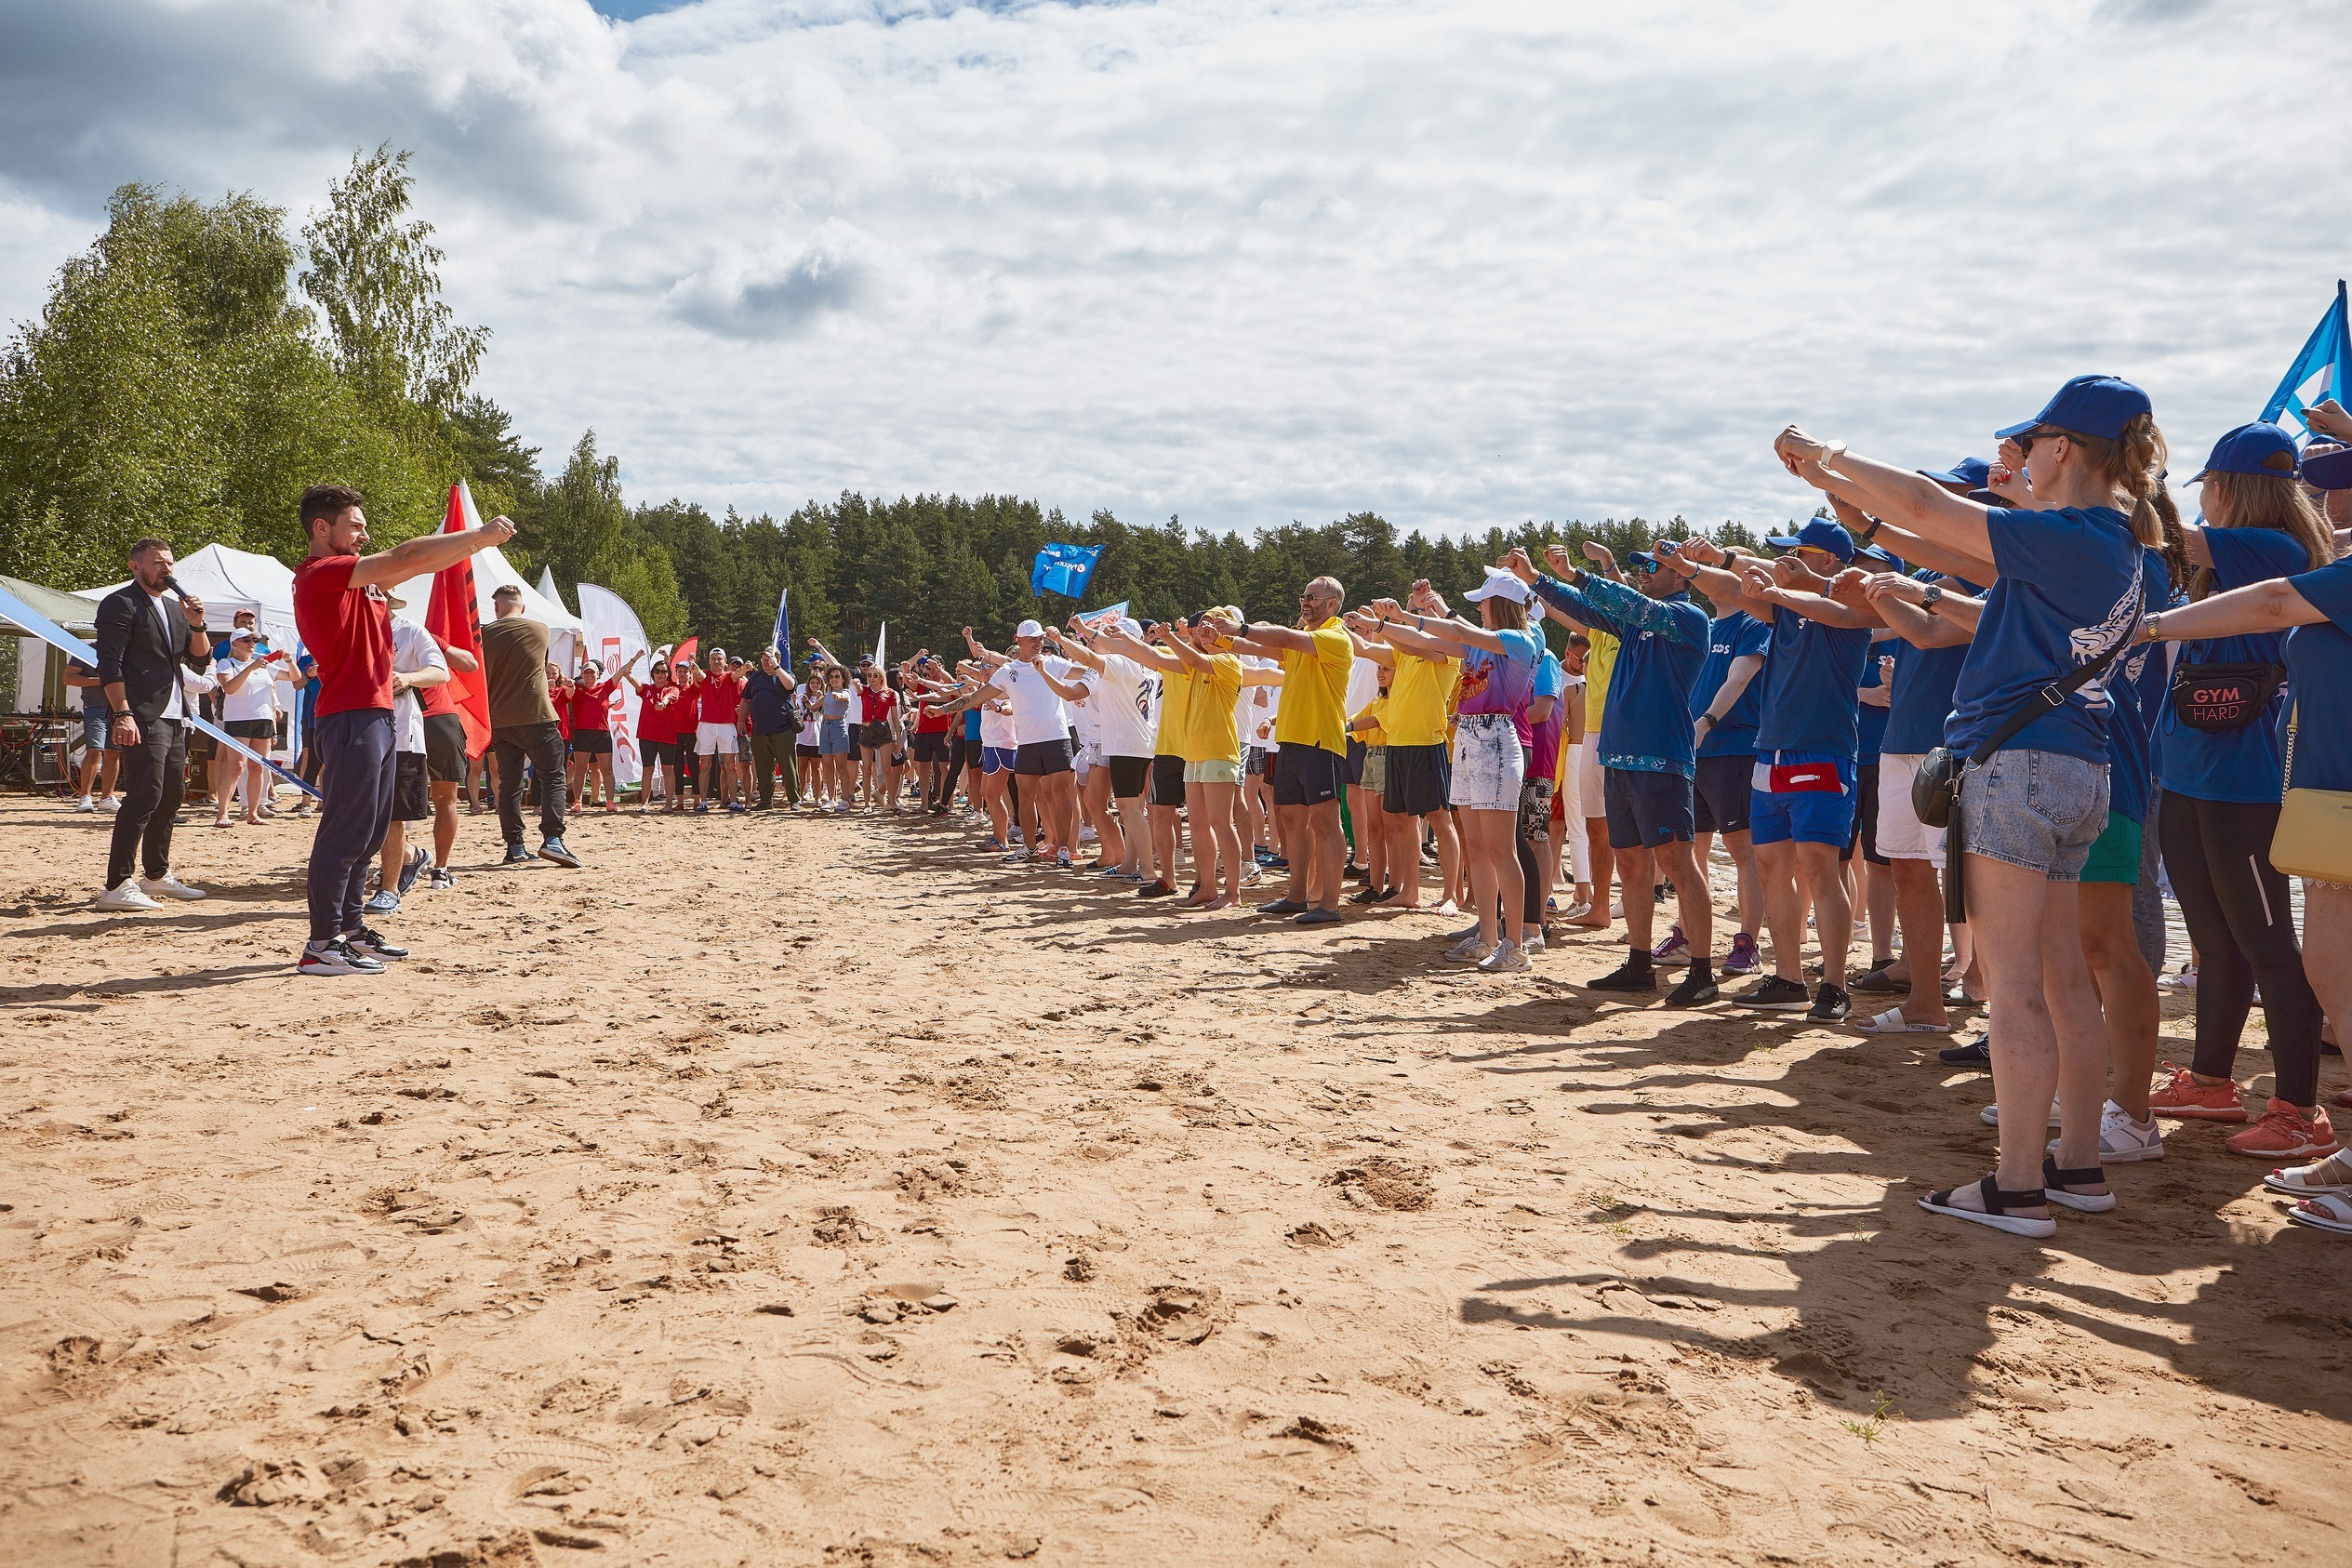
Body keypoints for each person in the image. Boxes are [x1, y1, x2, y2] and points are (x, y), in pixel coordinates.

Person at [1776, 373, 2161, 1237]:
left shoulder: (2077, 534)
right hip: (2074, 768)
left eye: (2033, 442)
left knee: (2016, 986)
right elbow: (1944, 547)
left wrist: (1826, 453)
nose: (2020, 456)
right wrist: (1850, 505)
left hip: (2020, 766)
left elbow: (1930, 505)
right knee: (2062, 979)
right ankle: (2075, 1167)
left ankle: (2018, 1185)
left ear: (2063, 449)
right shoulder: (2110, 540)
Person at [2138, 449, 2352, 1221]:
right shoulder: (2236, 554)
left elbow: (2167, 538)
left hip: (2247, 781)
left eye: (2209, 491)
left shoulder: (2272, 548)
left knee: (2268, 946)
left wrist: (2132, 473)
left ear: (2228, 489)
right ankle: (2211, 1080)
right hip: (2194, 768)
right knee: (2215, 939)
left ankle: (2297, 1107)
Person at [292, 485, 516, 974]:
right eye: (355, 524)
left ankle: (349, 930)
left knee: (373, 830)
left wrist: (469, 546)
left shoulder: (357, 582)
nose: (364, 533)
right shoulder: (321, 573)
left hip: (377, 713)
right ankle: (321, 943)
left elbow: (413, 566)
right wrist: (477, 537)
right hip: (351, 713)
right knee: (345, 831)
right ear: (321, 529)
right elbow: (409, 556)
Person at [1669, 524, 1878, 1021]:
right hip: (1772, 754)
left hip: (1821, 753)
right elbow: (1752, 589)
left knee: (1819, 867)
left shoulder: (1852, 608)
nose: (1784, 562)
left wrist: (1768, 579)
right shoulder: (1783, 608)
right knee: (1771, 867)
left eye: (1797, 554)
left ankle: (1833, 985)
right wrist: (1717, 562)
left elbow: (1817, 604)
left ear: (1827, 560)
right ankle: (1788, 979)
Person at [1518, 541, 1714, 1002]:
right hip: (1620, 758)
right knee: (1630, 863)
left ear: (1684, 576)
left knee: (1676, 861)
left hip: (1661, 759)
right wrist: (1539, 580)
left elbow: (1629, 603)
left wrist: (1579, 573)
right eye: (1641, 565)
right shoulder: (1637, 624)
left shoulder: (1688, 618)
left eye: (1654, 566)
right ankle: (1639, 964)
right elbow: (1589, 611)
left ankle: (1702, 972)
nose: (1644, 571)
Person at [1357, 569, 1542, 968]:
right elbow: (1428, 642)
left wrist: (1405, 617)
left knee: (1501, 849)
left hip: (1495, 738)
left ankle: (1515, 945)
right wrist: (1382, 626)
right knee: (1477, 847)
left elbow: (1455, 633)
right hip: (1470, 740)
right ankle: (1487, 936)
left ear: (1500, 605)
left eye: (1484, 601)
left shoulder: (1517, 640)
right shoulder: (1480, 644)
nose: (1479, 607)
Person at [1202, 577, 1354, 925]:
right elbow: (1269, 649)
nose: (1306, 602)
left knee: (1326, 822)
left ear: (1332, 604)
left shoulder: (1335, 636)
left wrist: (1240, 628)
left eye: (1313, 597)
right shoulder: (1307, 642)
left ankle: (1329, 904)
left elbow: (1283, 638)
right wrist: (1224, 640)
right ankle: (1296, 896)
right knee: (1291, 820)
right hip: (1292, 740)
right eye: (1303, 596)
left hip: (1320, 741)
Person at [90, 538, 213, 910]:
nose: (167, 569)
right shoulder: (120, 603)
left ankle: (156, 875)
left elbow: (200, 658)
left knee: (172, 795)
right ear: (135, 566)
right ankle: (116, 884)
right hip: (142, 712)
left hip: (176, 713)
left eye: (170, 563)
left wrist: (196, 624)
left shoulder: (176, 610)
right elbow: (109, 663)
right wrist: (123, 713)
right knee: (145, 794)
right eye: (158, 562)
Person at [1674, 587, 1770, 980]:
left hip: (1733, 747)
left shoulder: (1753, 623)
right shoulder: (1704, 626)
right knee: (1689, 850)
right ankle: (1687, 937)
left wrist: (1706, 722)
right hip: (1693, 751)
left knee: (1741, 848)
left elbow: (1739, 678)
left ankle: (1747, 942)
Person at [967, 619, 1087, 867]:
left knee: (1062, 795)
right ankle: (1030, 847)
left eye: (1040, 638)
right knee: (1026, 796)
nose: (1038, 642)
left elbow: (1086, 671)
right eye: (1032, 638)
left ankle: (1064, 849)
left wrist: (1070, 643)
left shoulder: (1053, 662)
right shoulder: (1007, 671)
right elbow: (978, 695)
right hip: (1027, 742)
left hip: (1058, 737)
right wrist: (944, 708)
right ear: (1018, 640)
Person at [479, 581, 578, 870]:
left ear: (496, 608)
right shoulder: (541, 630)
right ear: (523, 607)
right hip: (536, 714)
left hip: (500, 719)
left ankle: (515, 846)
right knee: (552, 777)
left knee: (508, 784)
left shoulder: (483, 635)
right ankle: (553, 840)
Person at [1056, 616, 1160, 883]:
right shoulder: (1147, 663)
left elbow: (1090, 660)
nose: (1105, 639)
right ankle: (1129, 863)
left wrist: (1064, 637)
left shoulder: (1120, 661)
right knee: (1134, 807)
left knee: (1130, 809)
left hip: (1126, 742)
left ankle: (1147, 870)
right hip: (1142, 741)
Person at [364, 600, 449, 915]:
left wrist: (408, 678)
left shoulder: (409, 630)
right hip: (360, 730)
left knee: (392, 815)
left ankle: (389, 890)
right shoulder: (356, 630)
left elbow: (440, 672)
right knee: (367, 813)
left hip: (401, 735)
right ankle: (411, 855)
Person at [210, 628, 295, 827]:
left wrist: (289, 660)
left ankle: (253, 813)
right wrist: (250, 668)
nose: (251, 643)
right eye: (246, 639)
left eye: (254, 640)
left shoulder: (264, 665)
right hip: (238, 719)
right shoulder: (227, 663)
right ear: (234, 644)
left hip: (263, 719)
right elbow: (229, 688)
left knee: (258, 768)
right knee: (236, 767)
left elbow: (295, 677)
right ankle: (222, 813)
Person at [743, 648, 800, 809]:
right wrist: (741, 722)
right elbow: (746, 700)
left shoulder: (786, 674)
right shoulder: (756, 678)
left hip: (783, 729)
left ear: (778, 660)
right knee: (763, 767)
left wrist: (777, 669)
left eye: (769, 659)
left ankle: (794, 799)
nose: (765, 662)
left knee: (788, 766)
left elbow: (790, 686)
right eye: (763, 659)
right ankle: (766, 800)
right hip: (759, 729)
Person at [63, 658, 120, 813]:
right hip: (96, 707)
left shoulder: (125, 651)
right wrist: (102, 681)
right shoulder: (85, 651)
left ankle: (107, 798)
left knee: (114, 752)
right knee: (94, 750)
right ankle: (85, 797)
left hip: (119, 708)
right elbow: (68, 678)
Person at [568, 654, 624, 812]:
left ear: (598, 674)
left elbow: (619, 673)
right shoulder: (577, 689)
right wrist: (568, 684)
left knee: (607, 770)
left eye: (592, 672)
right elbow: (564, 688)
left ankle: (610, 802)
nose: (589, 675)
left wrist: (634, 659)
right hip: (582, 733)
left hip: (602, 734)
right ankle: (577, 802)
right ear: (582, 675)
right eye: (586, 672)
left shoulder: (604, 687)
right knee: (580, 769)